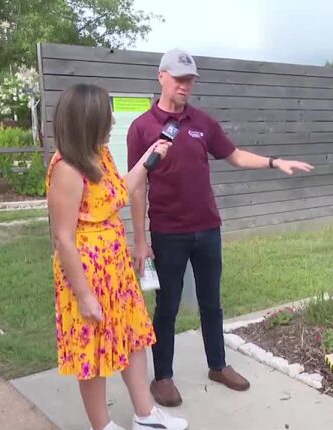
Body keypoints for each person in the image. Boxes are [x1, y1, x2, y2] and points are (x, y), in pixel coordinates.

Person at [127, 49, 314, 408]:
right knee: (166, 306)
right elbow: (137, 185)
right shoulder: (142, 127)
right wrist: (140, 240)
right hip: (168, 233)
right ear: (161, 77)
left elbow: (235, 155)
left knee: (211, 302)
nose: (185, 85)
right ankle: (162, 377)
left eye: (190, 79)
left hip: (208, 229)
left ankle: (218, 365)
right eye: (179, 78)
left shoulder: (202, 122)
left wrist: (275, 162)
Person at [46, 83, 188, 430]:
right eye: (105, 114)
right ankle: (103, 427)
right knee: (91, 354)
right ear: (87, 121)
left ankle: (145, 415)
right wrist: (84, 296)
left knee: (133, 337)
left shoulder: (100, 154)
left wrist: (149, 159)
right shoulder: (67, 168)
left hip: (115, 266)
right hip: (86, 274)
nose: (111, 119)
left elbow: (120, 191)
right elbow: (63, 238)